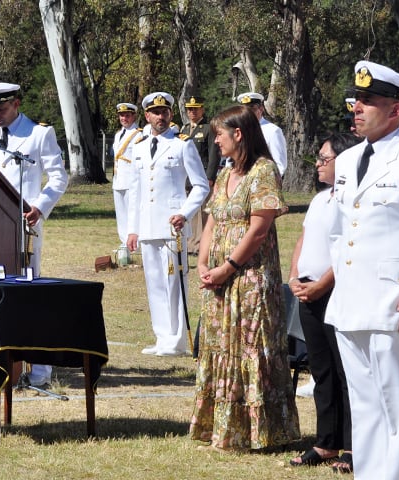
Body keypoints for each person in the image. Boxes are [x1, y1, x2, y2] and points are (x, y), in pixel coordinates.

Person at [325, 60, 399, 479]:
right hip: (351, 301)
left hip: (396, 302)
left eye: (369, 101)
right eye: (356, 100)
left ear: (397, 110)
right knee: (364, 407)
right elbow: (342, 229)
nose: (357, 108)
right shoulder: (345, 161)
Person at [190, 104, 299, 451]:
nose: (215, 141)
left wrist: (228, 268)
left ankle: (254, 432)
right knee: (219, 348)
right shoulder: (225, 173)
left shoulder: (263, 171)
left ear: (238, 134)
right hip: (218, 281)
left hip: (249, 278)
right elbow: (212, 220)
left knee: (249, 349)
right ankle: (220, 428)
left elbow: (258, 229)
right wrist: (203, 262)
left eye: (219, 135)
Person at [0, 82, 69, 387]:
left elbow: (58, 177)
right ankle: (2, 364)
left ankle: (40, 370)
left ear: (17, 103)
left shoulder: (39, 133)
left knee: (29, 292)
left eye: (2, 109)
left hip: (25, 224)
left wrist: (40, 207)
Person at [287, 133, 361, 472]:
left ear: (343, 161)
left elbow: (349, 246)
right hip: (307, 292)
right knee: (321, 369)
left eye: (324, 158)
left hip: (335, 290)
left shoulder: (353, 199)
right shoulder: (319, 200)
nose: (318, 163)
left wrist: (321, 285)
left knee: (346, 371)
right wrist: (294, 276)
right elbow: (304, 238)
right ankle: (326, 442)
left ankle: (352, 446)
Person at [125, 92, 209, 357]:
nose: (161, 117)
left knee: (174, 282)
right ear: (147, 116)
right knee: (154, 283)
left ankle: (176, 341)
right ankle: (162, 337)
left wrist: (184, 213)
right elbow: (135, 190)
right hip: (148, 225)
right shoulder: (138, 145)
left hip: (173, 225)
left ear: (171, 114)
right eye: (155, 113)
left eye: (165, 112)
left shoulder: (182, 144)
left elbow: (200, 185)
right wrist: (132, 228)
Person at [179, 96, 220, 253]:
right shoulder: (184, 129)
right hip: (187, 178)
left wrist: (210, 176)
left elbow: (213, 155)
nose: (192, 112)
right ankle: (189, 242)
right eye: (190, 109)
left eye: (195, 109)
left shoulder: (208, 128)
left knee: (202, 213)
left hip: (202, 177)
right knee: (190, 211)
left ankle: (200, 244)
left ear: (202, 109)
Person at [111, 102, 141, 247]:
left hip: (131, 180)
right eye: (121, 115)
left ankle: (135, 243)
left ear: (134, 116)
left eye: (127, 115)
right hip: (118, 180)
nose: (124, 118)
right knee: (121, 215)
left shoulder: (139, 134)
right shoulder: (118, 135)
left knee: (132, 213)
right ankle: (124, 243)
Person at [236, 92, 287, 176]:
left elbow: (280, 165)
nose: (248, 112)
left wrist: (266, 183)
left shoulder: (272, 131)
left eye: (252, 108)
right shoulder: (238, 130)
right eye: (244, 109)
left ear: (261, 109)